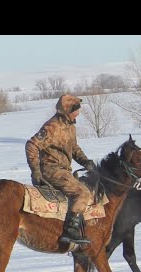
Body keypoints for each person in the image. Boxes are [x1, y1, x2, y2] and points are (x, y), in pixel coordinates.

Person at [25, 94, 96, 245]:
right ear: (67, 110)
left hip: (65, 170)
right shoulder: (52, 127)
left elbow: (74, 147)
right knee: (82, 192)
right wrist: (36, 171)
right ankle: (71, 230)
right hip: (52, 170)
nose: (78, 113)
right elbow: (31, 145)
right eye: (76, 110)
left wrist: (85, 161)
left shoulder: (70, 126)